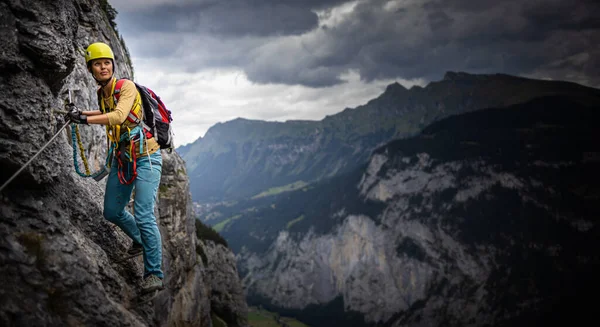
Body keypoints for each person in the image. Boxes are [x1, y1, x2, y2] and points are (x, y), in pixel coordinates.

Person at [67, 42, 164, 293]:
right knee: (111, 211)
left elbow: (119, 116)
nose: (103, 67)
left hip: (147, 157)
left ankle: (154, 274)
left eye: (106, 63)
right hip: (124, 159)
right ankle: (142, 241)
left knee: (143, 214)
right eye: (97, 64)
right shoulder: (103, 94)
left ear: (113, 65)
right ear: (91, 69)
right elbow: (105, 111)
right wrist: (80, 113)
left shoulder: (126, 87)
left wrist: (85, 120)